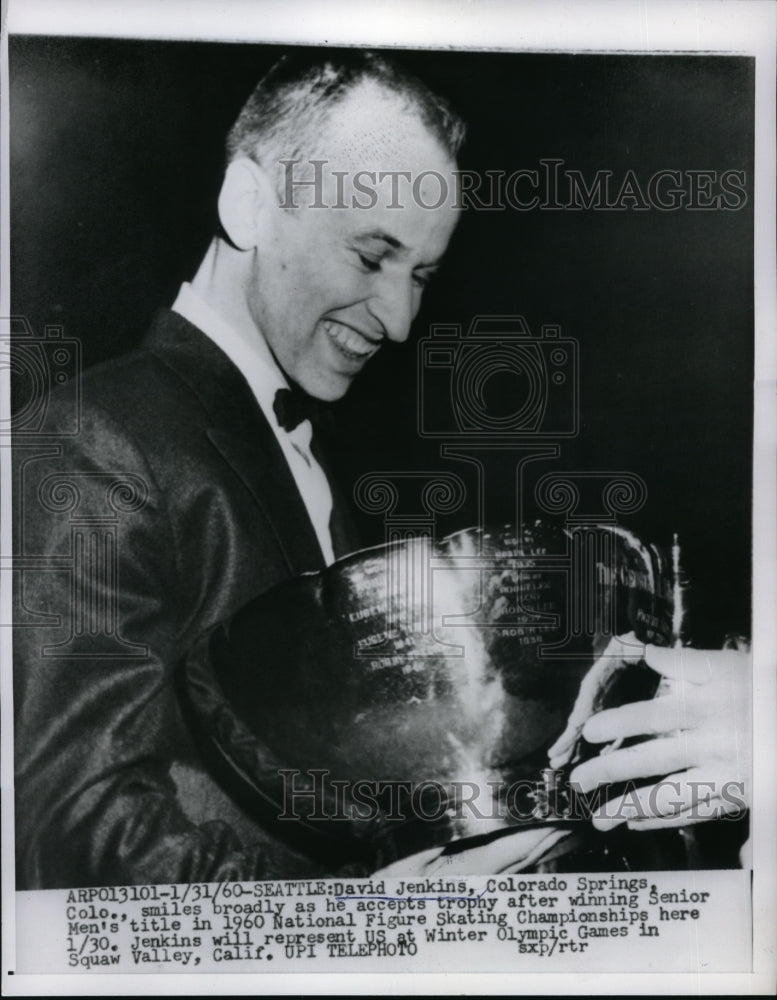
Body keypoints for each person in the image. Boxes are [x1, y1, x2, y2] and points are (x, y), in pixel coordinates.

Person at [13, 50, 750, 888]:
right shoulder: (91, 438)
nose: (401, 322)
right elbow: (67, 832)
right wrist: (369, 918)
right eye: (371, 257)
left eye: (422, 276)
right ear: (250, 204)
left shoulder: (306, 451)